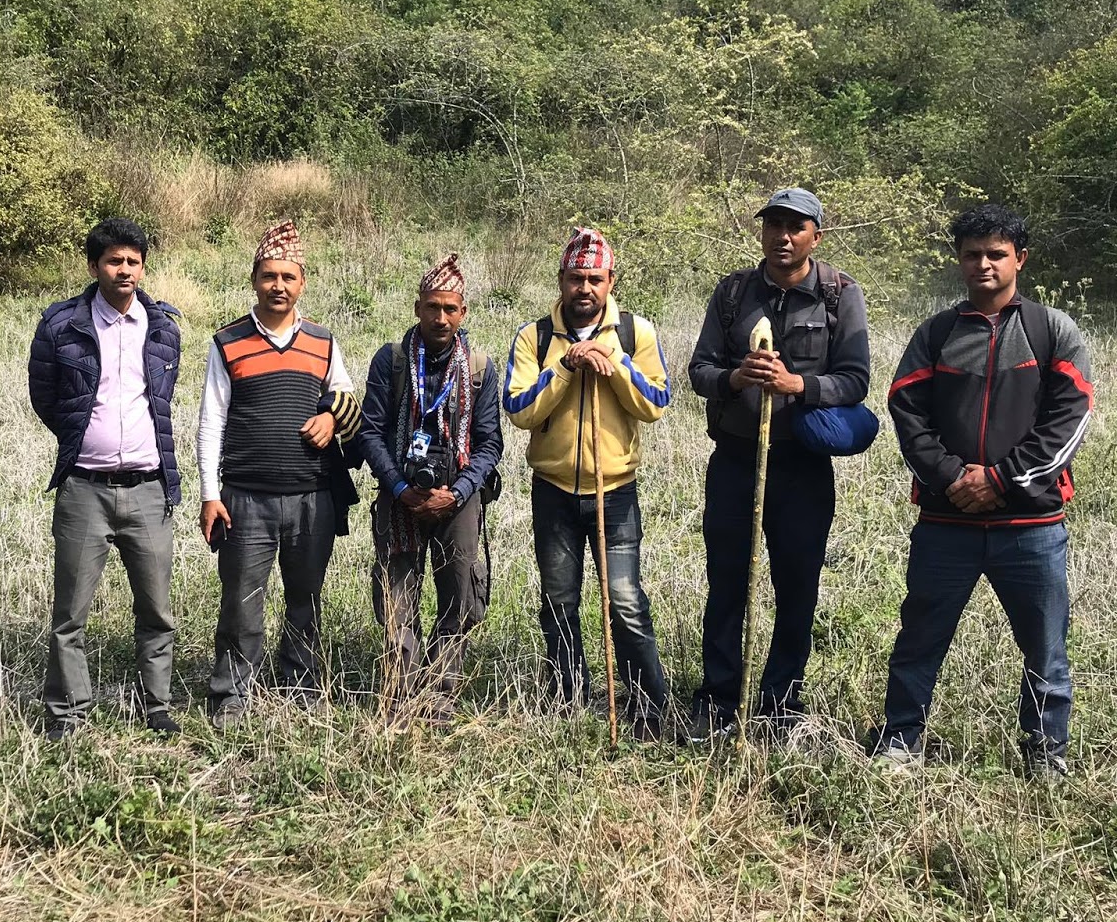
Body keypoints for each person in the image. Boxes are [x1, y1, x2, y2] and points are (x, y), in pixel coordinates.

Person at [873, 205, 1092, 779]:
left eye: (997, 254)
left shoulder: (1052, 331)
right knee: (920, 637)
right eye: (973, 254)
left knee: (1045, 647)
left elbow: (1069, 419)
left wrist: (998, 479)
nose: (984, 264)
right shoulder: (937, 333)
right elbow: (906, 411)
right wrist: (952, 477)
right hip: (947, 524)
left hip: (1031, 527)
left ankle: (1046, 754)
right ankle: (900, 739)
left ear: (1020, 259)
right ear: (960, 260)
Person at [687, 188, 870, 741]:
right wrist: (735, 377)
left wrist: (799, 385)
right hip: (735, 460)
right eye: (773, 226)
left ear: (816, 235)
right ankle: (719, 699)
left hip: (801, 467)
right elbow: (700, 371)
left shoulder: (840, 294)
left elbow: (856, 380)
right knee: (726, 583)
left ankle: (778, 703)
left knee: (797, 587)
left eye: (796, 227)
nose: (782, 237)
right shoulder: (733, 292)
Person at [503, 228, 673, 737]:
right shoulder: (534, 337)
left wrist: (613, 362)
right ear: (561, 280)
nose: (585, 288)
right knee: (559, 601)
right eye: (576, 278)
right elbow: (520, 410)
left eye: (595, 279)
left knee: (625, 601)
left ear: (610, 281)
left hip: (615, 491)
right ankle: (568, 699)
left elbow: (656, 404)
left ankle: (650, 709)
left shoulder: (635, 334)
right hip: (553, 490)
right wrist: (566, 366)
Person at [198, 220, 361, 729]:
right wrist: (209, 494)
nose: (278, 286)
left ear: (302, 283)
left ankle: (301, 687)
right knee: (242, 602)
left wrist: (330, 416)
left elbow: (349, 400)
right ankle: (231, 693)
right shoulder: (228, 342)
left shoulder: (323, 341)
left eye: (288, 277)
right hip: (245, 498)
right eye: (269, 276)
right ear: (254, 279)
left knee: (305, 600)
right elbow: (211, 422)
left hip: (312, 497)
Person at [28, 218, 183, 740]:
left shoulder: (162, 327)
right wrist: (84, 435)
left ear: (143, 267)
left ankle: (156, 704)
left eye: (133, 261)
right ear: (94, 266)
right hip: (84, 489)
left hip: (148, 488)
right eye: (114, 261)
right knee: (70, 613)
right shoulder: (61, 325)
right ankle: (67, 712)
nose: (125, 270)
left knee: (156, 609)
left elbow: (160, 399)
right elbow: (45, 396)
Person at [358, 254, 503, 726]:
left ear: (463, 312)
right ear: (417, 307)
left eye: (450, 308)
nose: (441, 318)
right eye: (432, 307)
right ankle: (400, 693)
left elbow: (490, 443)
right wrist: (399, 486)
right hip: (400, 493)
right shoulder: (393, 361)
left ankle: (441, 693)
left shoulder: (479, 369)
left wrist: (458, 492)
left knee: (459, 591)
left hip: (457, 496)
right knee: (396, 593)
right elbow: (370, 432)